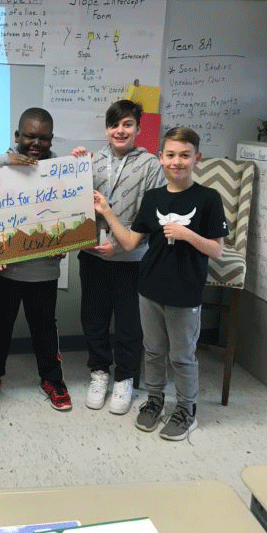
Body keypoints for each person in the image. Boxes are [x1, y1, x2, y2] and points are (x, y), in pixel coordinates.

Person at [93, 126, 227, 441]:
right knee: (153, 351)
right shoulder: (152, 198)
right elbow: (129, 242)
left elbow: (218, 249)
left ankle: (186, 410)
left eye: (184, 155)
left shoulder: (208, 199)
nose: (177, 162)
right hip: (149, 288)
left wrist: (187, 234)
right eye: (170, 155)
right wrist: (107, 212)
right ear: (160, 158)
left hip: (184, 292)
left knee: (181, 355)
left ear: (197, 158)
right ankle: (154, 401)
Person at [72, 100, 166, 415]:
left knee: (129, 322)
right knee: (94, 318)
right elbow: (71, 202)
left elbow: (152, 213)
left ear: (139, 129)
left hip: (133, 258)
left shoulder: (152, 165)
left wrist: (122, 243)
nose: (120, 130)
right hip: (93, 256)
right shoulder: (92, 161)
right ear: (107, 129)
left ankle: (125, 378)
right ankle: (99, 373)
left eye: (127, 124)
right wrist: (73, 169)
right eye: (114, 125)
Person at [0, 107, 71, 412]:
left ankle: (52, 379)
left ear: (51, 139)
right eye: (30, 136)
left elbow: (72, 213)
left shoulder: (62, 170)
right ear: (17, 136)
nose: (36, 143)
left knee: (45, 327)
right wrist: (4, 161)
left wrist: (68, 242)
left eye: (43, 137)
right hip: (4, 268)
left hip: (44, 267)